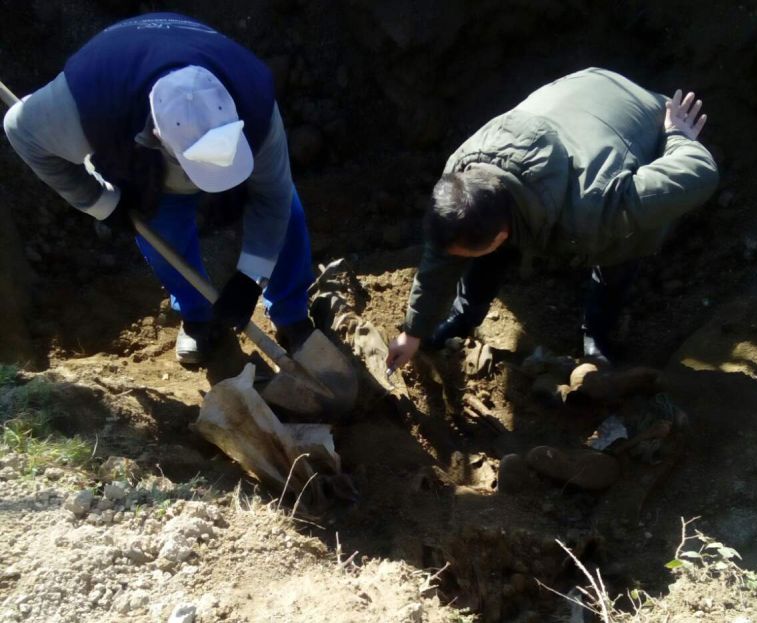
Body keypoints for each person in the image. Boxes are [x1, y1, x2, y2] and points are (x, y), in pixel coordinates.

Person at [3, 13, 315, 365]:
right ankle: (199, 319)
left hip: (186, 70)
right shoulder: (85, 106)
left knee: (283, 208)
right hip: (126, 103)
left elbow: (271, 198)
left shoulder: (252, 96)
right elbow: (19, 131)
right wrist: (100, 203)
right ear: (157, 137)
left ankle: (292, 315)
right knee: (159, 225)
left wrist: (250, 277)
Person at [387, 67, 719, 371]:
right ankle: (463, 317)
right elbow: (441, 253)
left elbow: (698, 173)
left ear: (502, 234)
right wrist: (414, 332)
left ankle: (599, 334)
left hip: (643, 117)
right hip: (581, 93)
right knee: (479, 254)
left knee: (619, 247)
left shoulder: (597, 204)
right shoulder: (461, 173)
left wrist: (675, 135)